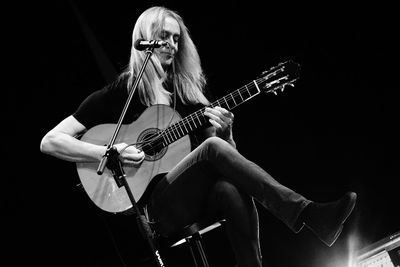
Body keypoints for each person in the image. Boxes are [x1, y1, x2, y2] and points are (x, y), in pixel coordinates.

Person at [40, 6, 357, 267]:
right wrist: (112, 153)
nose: (172, 45)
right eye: (164, 37)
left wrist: (227, 132)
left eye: (177, 39)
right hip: (156, 210)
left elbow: (225, 156)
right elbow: (50, 141)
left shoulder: (187, 94)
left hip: (195, 199)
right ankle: (306, 212)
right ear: (145, 40)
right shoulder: (121, 92)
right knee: (213, 151)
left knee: (230, 188)